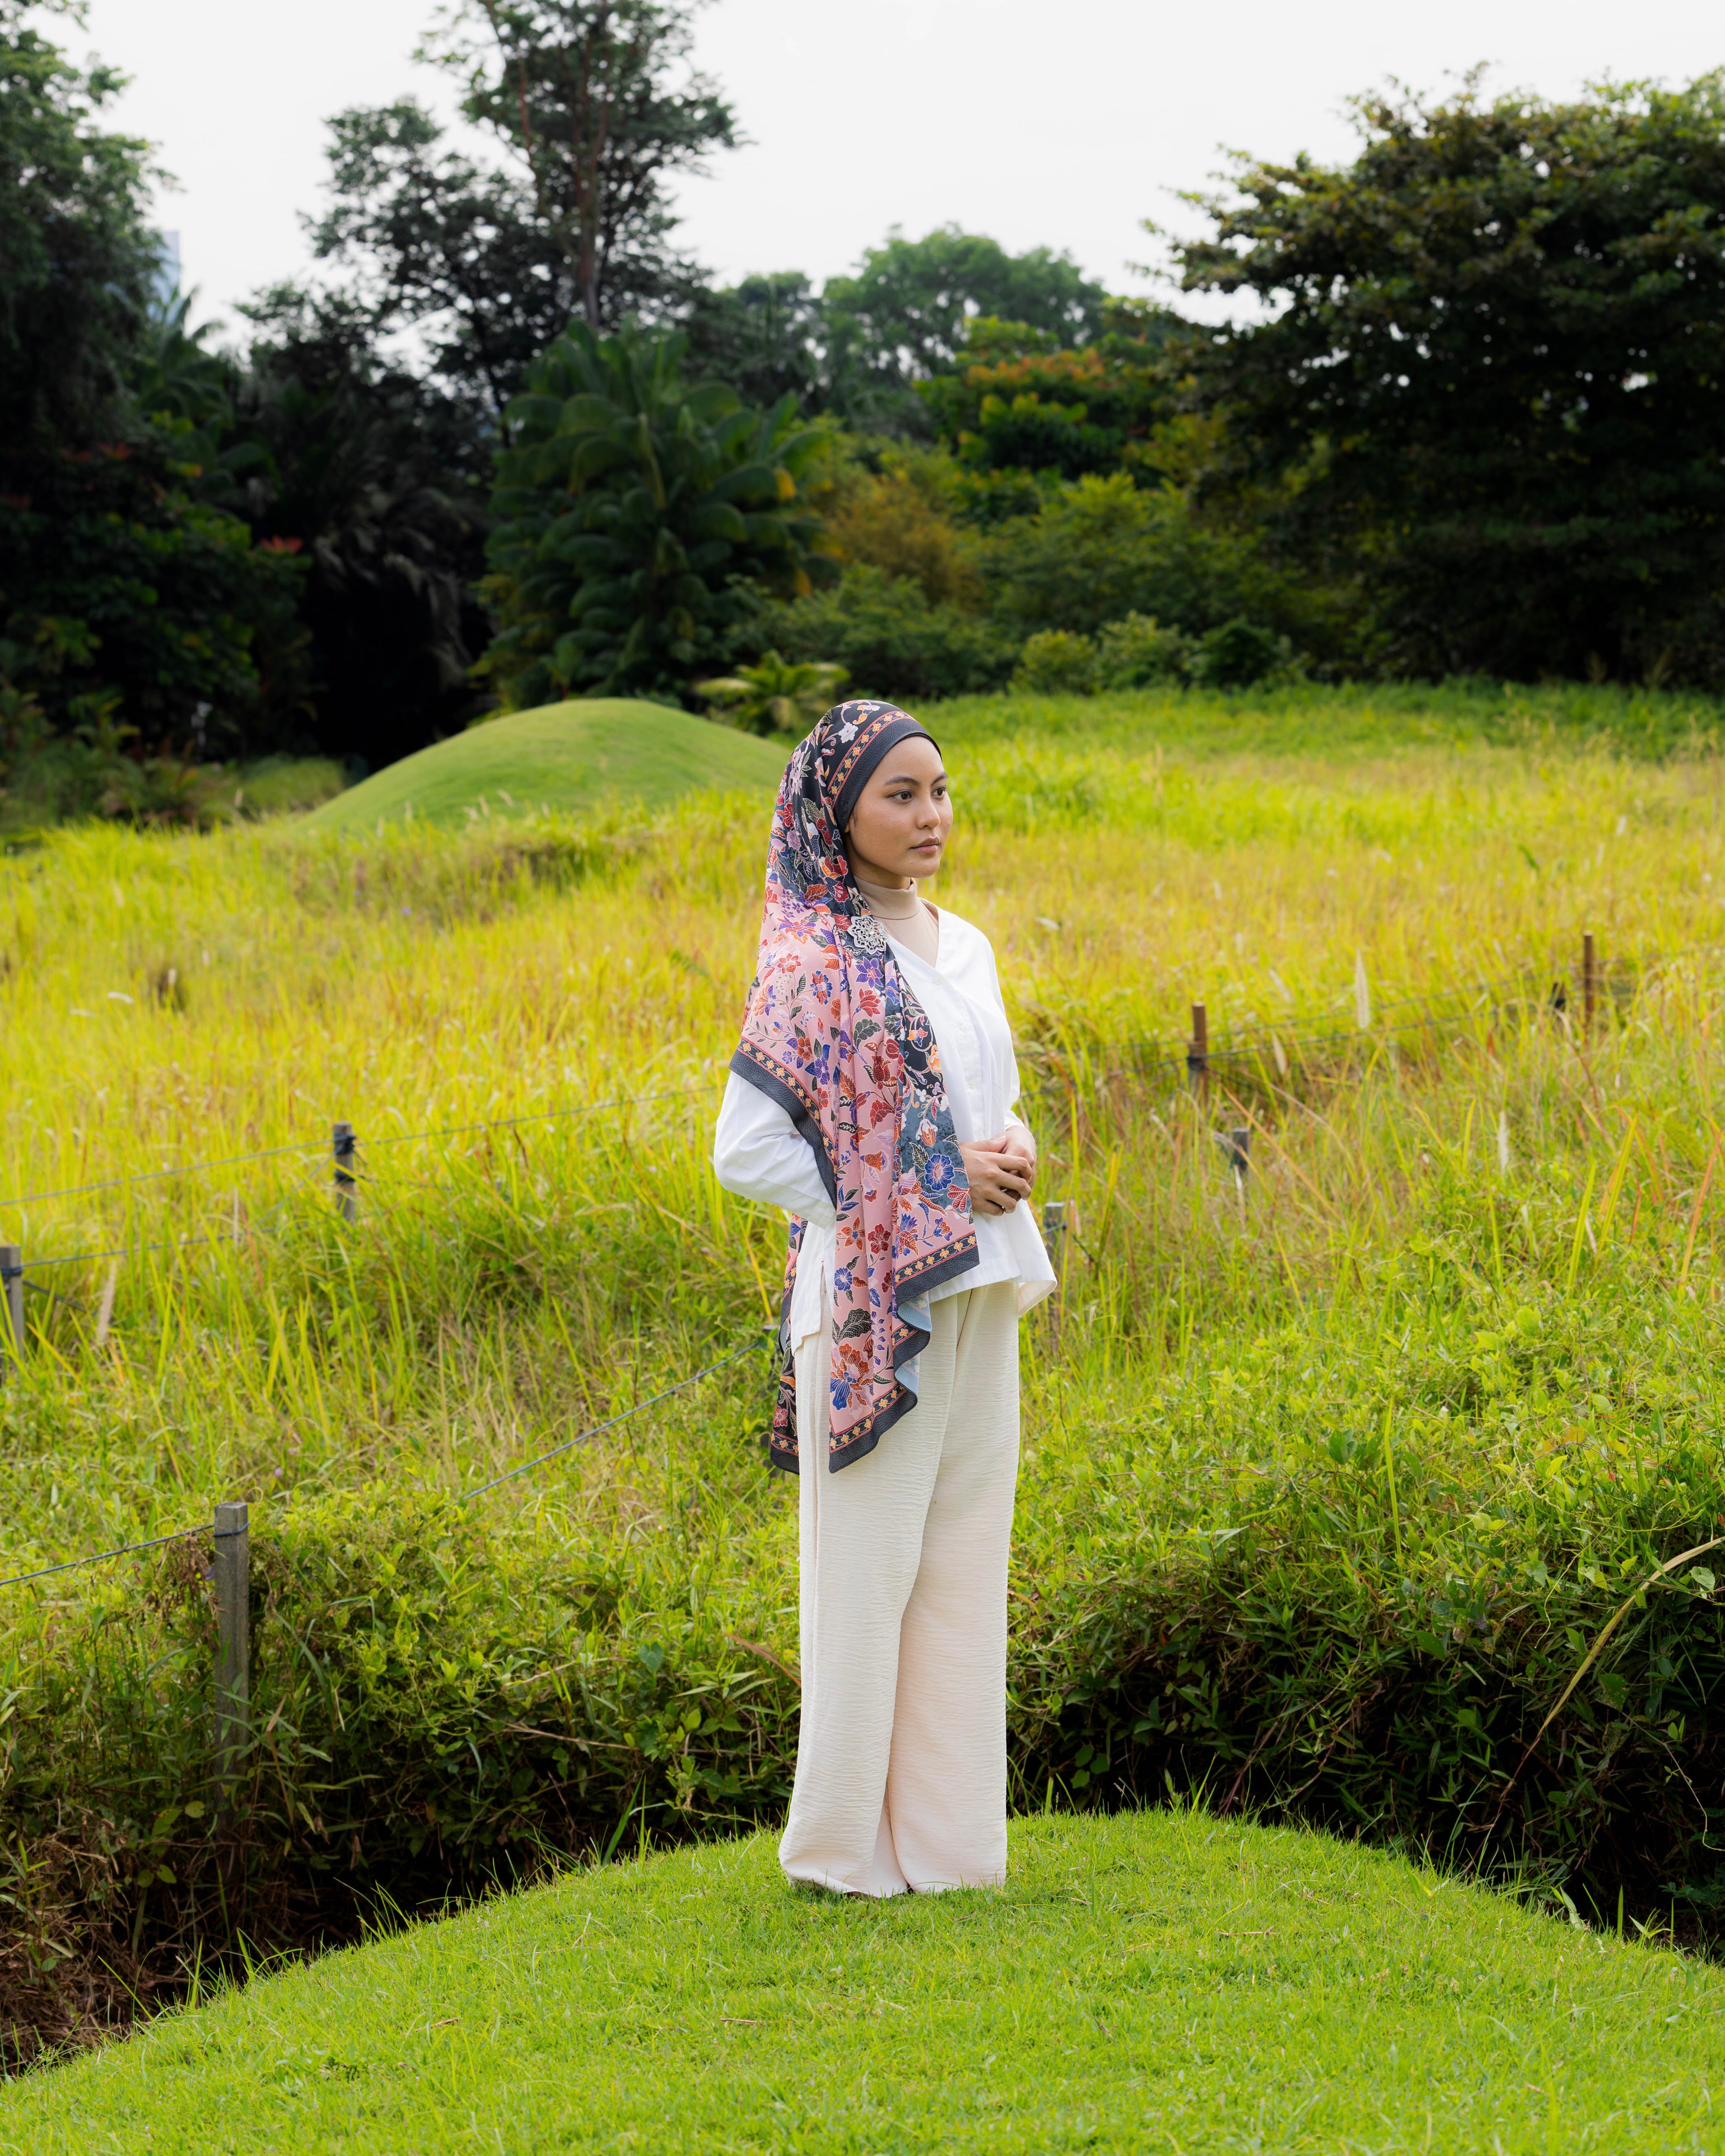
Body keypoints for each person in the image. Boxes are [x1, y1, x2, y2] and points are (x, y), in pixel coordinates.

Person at [712, 698, 1055, 1898]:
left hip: (979, 1280)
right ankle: (841, 1856)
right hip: (867, 1310)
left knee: (964, 1565)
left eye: (941, 791)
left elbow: (984, 1105)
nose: (930, 817)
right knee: (866, 1581)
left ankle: (954, 1858)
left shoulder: (964, 944)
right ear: (837, 811)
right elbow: (748, 1151)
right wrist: (926, 1181)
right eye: (900, 796)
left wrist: (1002, 1161)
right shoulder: (813, 962)